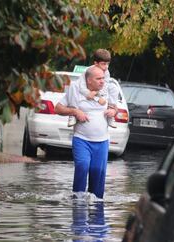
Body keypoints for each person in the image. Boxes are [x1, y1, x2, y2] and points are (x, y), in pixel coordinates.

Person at [54, 66, 117, 199]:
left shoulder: (107, 90)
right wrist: (75, 112)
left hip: (102, 142)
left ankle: (96, 205)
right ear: (88, 80)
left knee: (97, 171)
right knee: (82, 166)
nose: (102, 81)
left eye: (103, 78)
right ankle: (78, 201)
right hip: (81, 139)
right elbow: (58, 108)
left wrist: (113, 112)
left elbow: (115, 107)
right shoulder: (76, 90)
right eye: (98, 79)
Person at [67, 49, 119, 128]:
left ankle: (110, 114)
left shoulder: (107, 72)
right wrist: (94, 97)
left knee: (114, 87)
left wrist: (97, 96)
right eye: (103, 64)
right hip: (86, 92)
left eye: (108, 64)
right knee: (73, 85)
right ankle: (73, 114)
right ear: (95, 63)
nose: (106, 67)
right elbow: (82, 87)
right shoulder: (87, 71)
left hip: (97, 94)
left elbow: (104, 88)